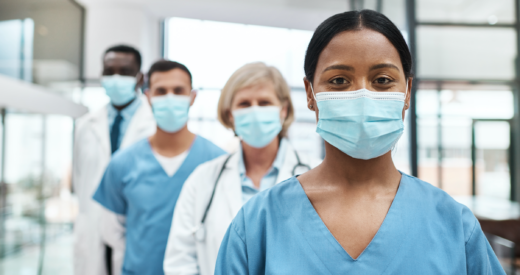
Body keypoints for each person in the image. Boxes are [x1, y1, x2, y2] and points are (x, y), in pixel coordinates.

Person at [214, 10, 505, 275]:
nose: (362, 96)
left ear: (407, 92)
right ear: (310, 93)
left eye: (382, 80)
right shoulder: (259, 224)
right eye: (339, 81)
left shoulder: (453, 225)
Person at [163, 62, 322, 275]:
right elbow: (180, 263)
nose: (255, 111)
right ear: (230, 115)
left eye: (264, 103)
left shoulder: (318, 173)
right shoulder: (203, 180)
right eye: (245, 104)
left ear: (283, 110)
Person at [93, 60, 226, 275]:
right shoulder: (122, 163)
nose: (170, 98)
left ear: (192, 97)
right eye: (161, 91)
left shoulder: (218, 162)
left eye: (178, 90)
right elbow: (112, 232)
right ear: (148, 97)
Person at [73, 45, 156, 275]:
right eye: (109, 71)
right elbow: (81, 179)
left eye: (125, 71)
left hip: (135, 231)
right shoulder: (85, 125)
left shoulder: (153, 125)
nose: (116, 78)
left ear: (140, 78)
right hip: (92, 227)